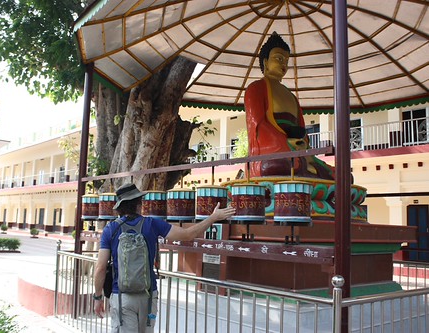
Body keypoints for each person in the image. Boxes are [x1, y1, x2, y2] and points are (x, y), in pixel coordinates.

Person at [93, 183, 235, 332]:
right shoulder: (152, 224)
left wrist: (97, 298)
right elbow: (188, 235)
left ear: (120, 207)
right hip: (148, 296)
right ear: (138, 204)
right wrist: (213, 217)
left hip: (122, 297)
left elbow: (100, 268)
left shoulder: (110, 229)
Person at [244, 32, 334, 180]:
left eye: (286, 60)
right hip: (273, 152)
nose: (283, 64)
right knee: (278, 167)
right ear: (265, 62)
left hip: (297, 151)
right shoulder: (256, 88)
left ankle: (304, 167)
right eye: (278, 58)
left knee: (341, 176)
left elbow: (302, 129)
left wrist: (301, 143)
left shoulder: (291, 96)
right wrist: (286, 143)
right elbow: (258, 127)